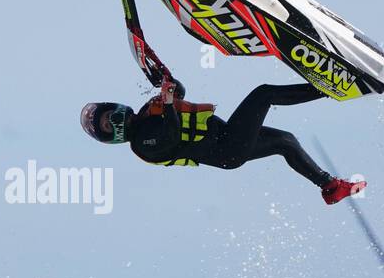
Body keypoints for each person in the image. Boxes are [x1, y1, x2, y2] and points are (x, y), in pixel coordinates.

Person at [80, 79, 366, 205]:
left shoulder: (146, 112)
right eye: (107, 125)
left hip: (227, 140)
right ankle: (330, 87)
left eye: (108, 115)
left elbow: (178, 94)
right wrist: (167, 103)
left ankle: (331, 187)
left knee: (286, 142)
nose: (112, 120)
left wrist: (167, 84)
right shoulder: (142, 145)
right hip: (225, 149)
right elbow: (172, 133)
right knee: (263, 94)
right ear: (111, 136)